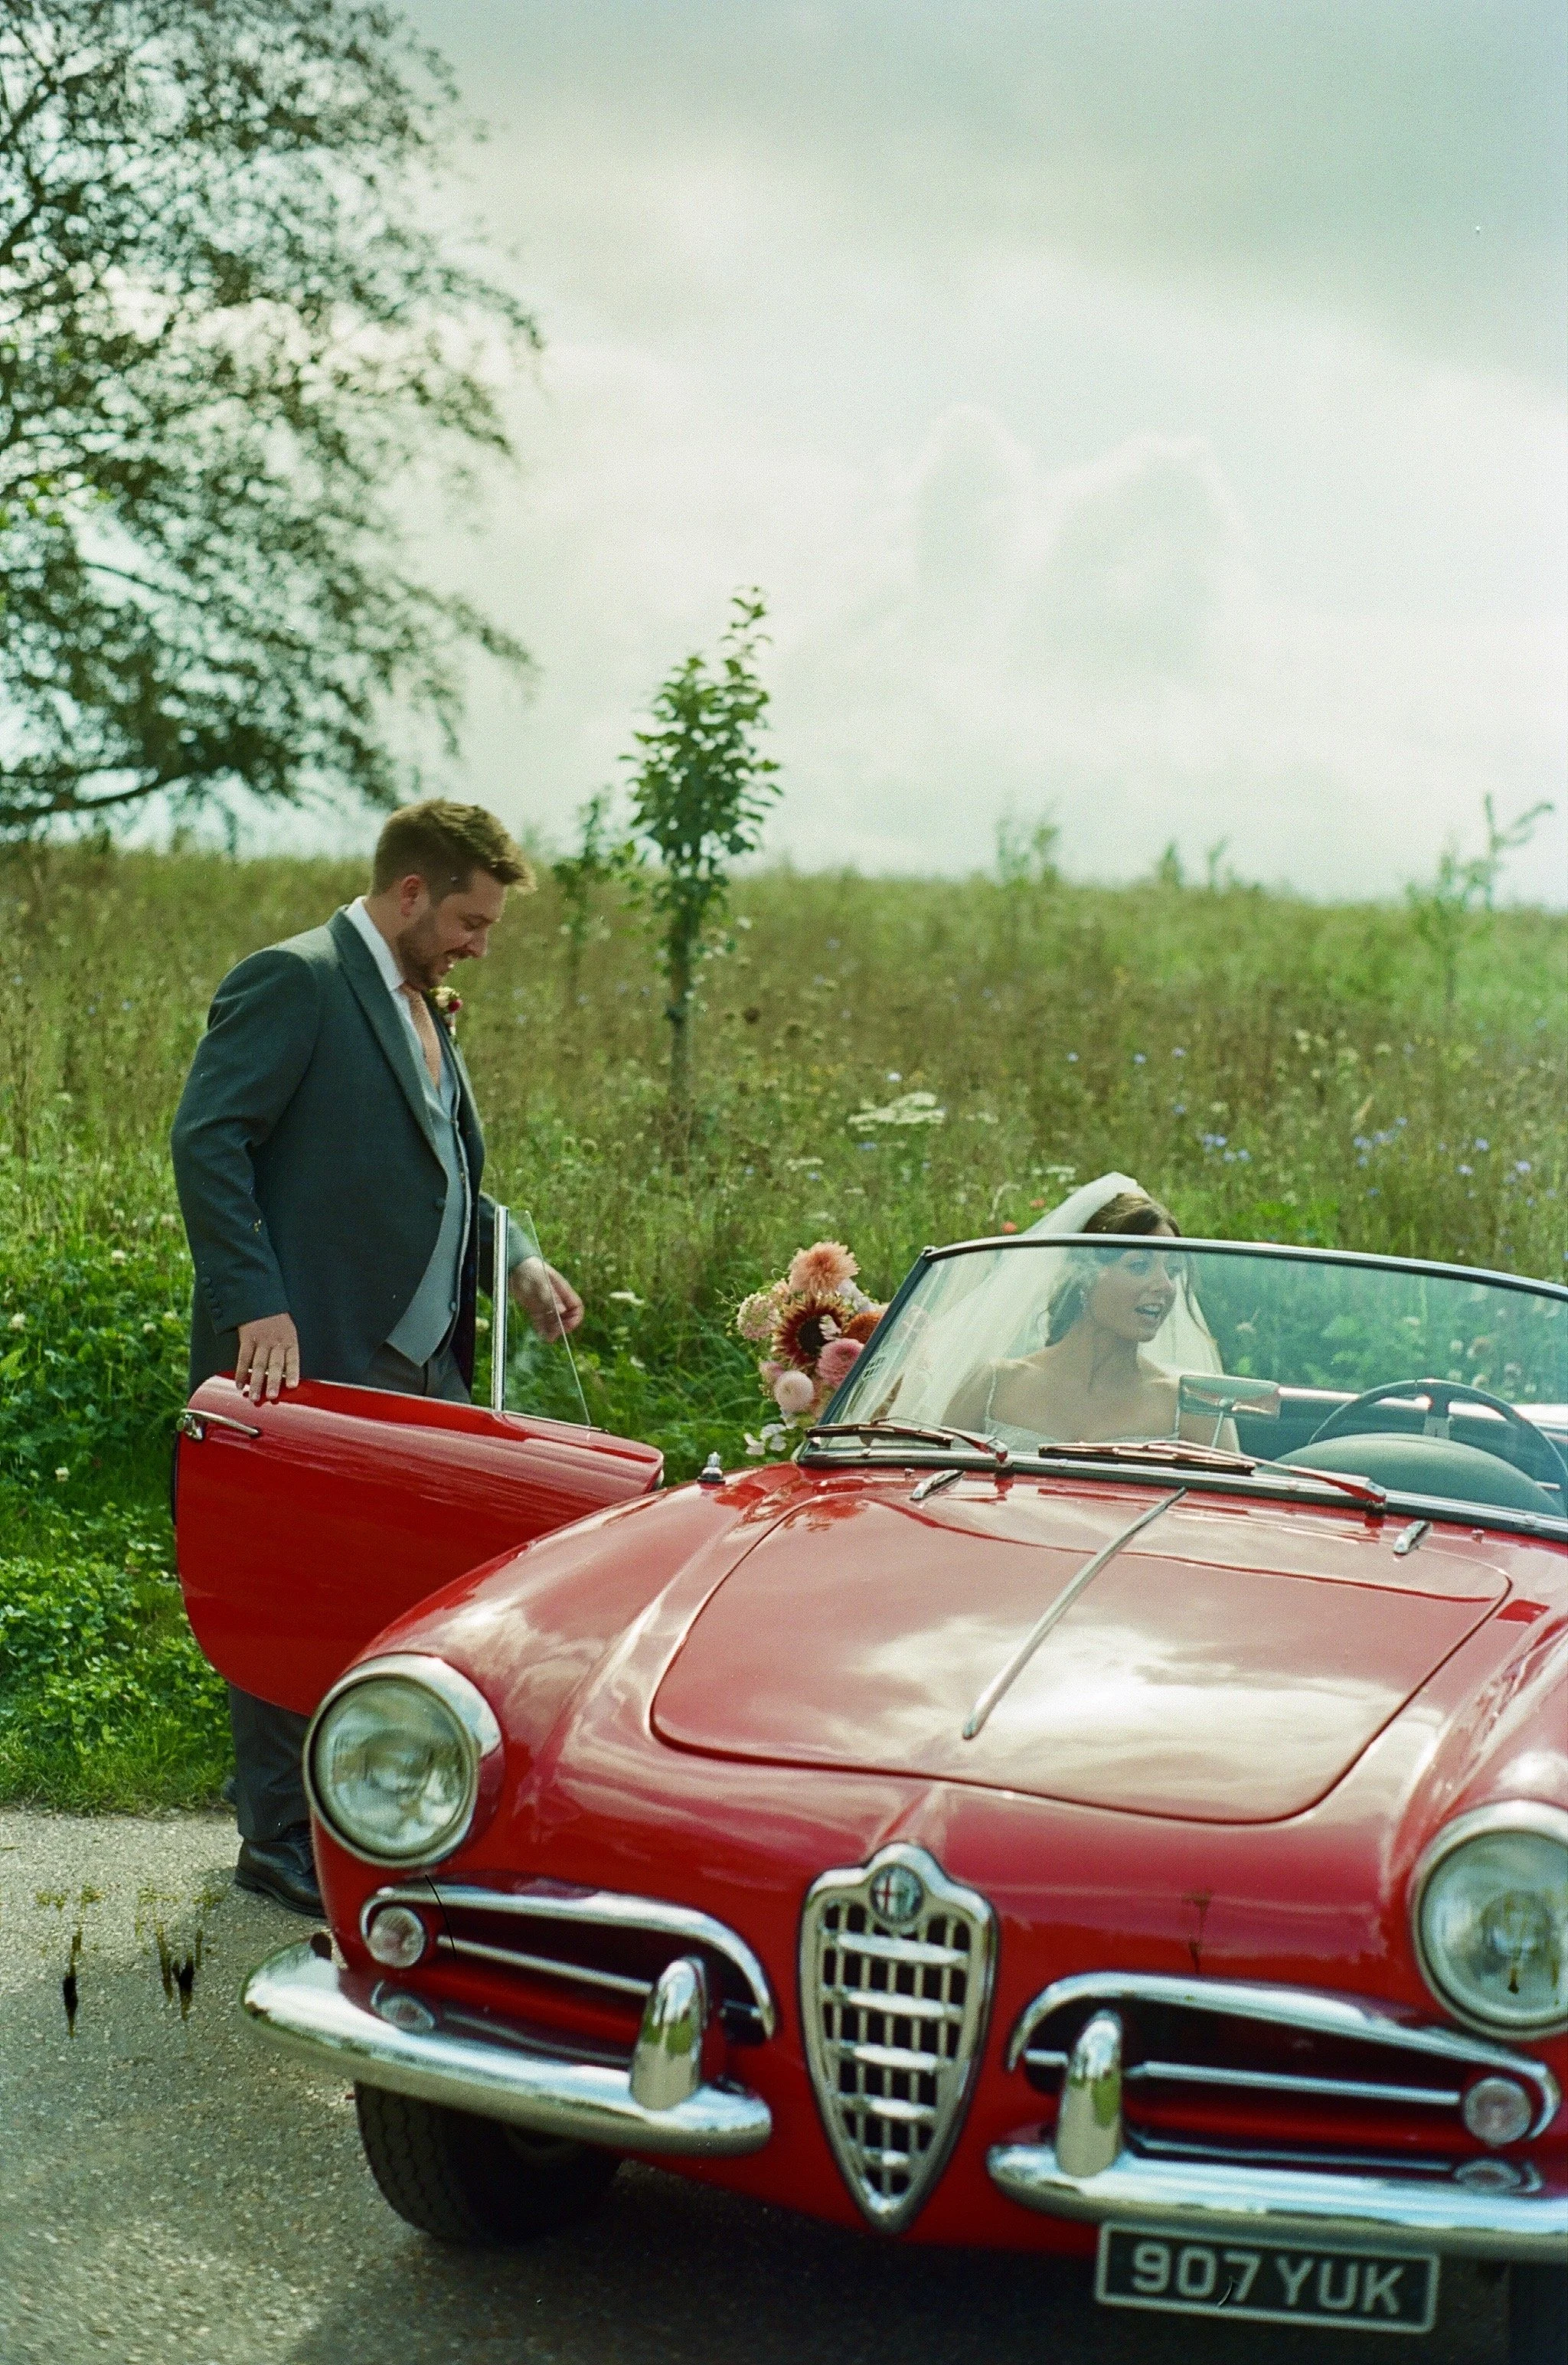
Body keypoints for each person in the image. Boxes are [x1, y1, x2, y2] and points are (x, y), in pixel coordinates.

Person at [171, 800, 584, 1916]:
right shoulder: (295, 980)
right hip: (300, 1360)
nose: (479, 946)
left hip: (415, 1365)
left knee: (390, 1598)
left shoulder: (422, 1007)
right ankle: (277, 1844)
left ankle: (370, 1811)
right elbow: (208, 1138)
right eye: (469, 919)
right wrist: (255, 1303)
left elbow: (441, 1173)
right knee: (288, 1588)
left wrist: (520, 1264)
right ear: (410, 893)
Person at [946, 1175, 1226, 1451]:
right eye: (1139, 1266)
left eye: (1173, 1271)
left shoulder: (1192, 1408)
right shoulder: (992, 1386)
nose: (1165, 1286)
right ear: (1085, 1276)